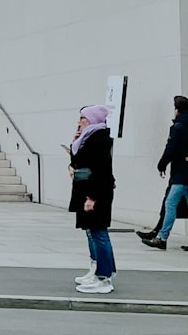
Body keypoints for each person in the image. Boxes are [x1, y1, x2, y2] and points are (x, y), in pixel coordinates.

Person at [142, 96, 188, 251]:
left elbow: (170, 149)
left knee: (170, 203)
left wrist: (161, 164)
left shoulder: (177, 127)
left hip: (181, 173)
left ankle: (162, 237)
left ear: (177, 110)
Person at [68, 104, 116, 294]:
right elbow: (80, 161)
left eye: (83, 118)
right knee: (92, 232)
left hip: (95, 191)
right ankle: (97, 270)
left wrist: (92, 197)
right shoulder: (87, 137)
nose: (80, 121)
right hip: (86, 189)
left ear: (93, 119)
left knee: (99, 233)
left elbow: (101, 170)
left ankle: (104, 277)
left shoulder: (99, 138)